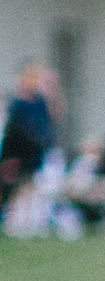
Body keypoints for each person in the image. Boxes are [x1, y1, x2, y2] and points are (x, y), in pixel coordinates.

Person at [0, 61, 56, 219]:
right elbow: (14, 131)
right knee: (14, 189)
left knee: (32, 188)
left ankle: (30, 220)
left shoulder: (40, 102)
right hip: (17, 153)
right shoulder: (16, 104)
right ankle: (14, 219)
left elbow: (46, 126)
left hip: (34, 153)